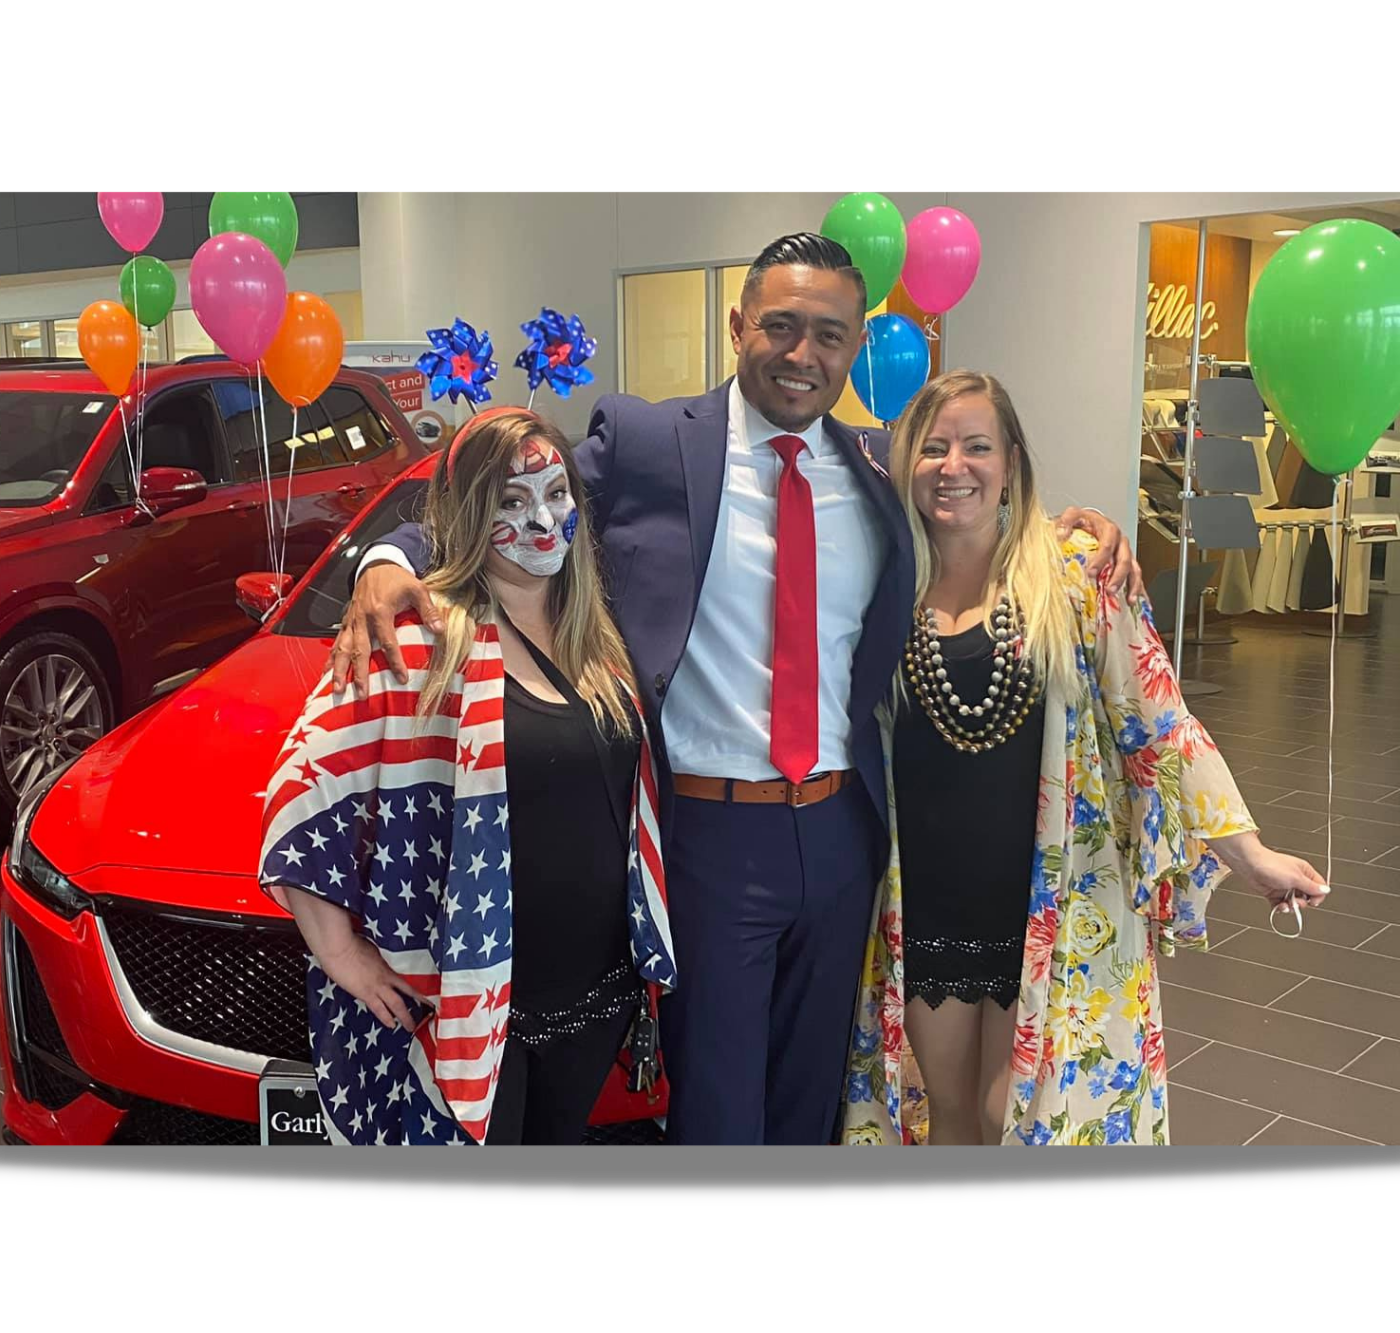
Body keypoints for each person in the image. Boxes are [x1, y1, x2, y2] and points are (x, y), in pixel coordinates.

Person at [329, 234, 1141, 1146]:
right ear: (736, 325)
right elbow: (500, 494)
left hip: (843, 832)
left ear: (855, 344)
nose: (803, 354)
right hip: (710, 838)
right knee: (716, 1110)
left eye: (829, 335)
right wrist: (388, 556)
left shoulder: (880, 465)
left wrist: (1077, 528)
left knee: (812, 1104)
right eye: (781, 326)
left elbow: (976, 516)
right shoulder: (647, 443)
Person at [840, 371, 1328, 1146]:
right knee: (947, 1110)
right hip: (927, 899)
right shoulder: (883, 581)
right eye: (932, 448)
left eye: (975, 446)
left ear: (1010, 463)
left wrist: (1250, 854)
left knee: (1013, 1111)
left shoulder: (1073, 573)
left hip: (1050, 896)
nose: (952, 466)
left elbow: (1159, 720)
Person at [257, 408, 675, 1146]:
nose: (541, 519)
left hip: (596, 996)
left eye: (555, 493)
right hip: (471, 1008)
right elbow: (300, 788)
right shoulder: (420, 638)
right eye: (511, 500)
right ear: (472, 514)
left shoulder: (598, 637)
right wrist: (338, 950)